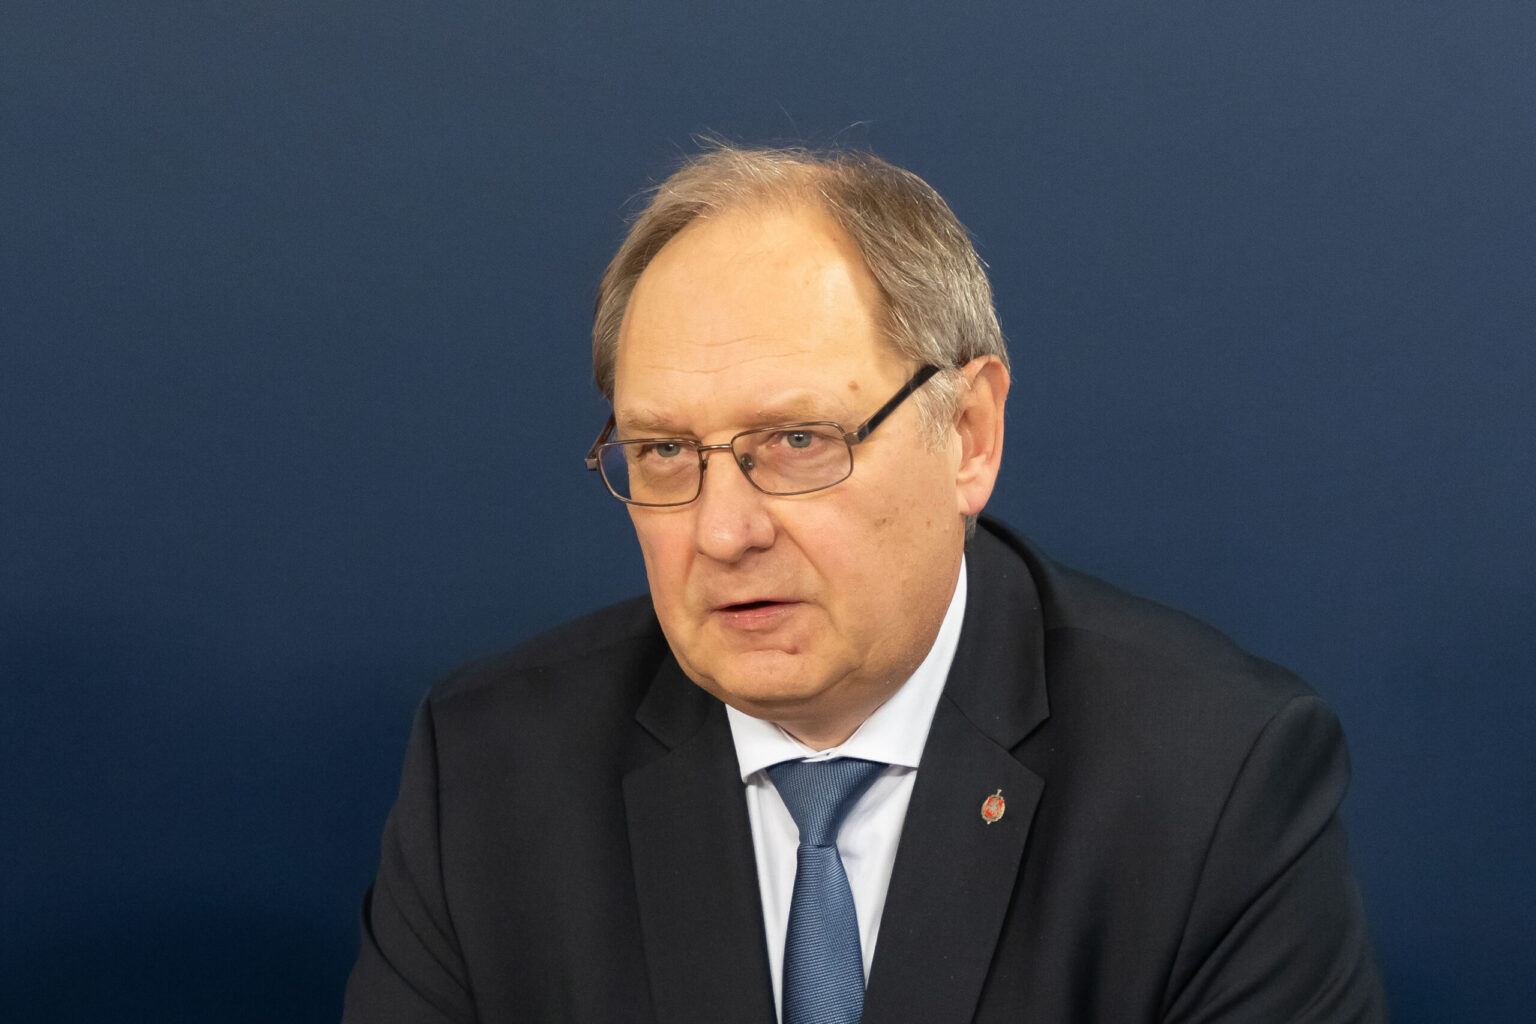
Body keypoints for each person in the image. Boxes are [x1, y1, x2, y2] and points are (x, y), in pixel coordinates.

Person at [342, 145, 1385, 1023]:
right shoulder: (488, 773)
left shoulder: (1214, 780)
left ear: (968, 435)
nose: (723, 531)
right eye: (663, 452)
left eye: (798, 440)